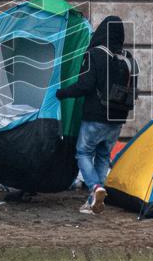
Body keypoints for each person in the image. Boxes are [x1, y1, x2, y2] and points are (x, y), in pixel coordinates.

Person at [56, 16, 138, 215]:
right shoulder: (129, 59)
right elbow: (134, 91)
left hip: (95, 115)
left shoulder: (95, 55)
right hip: (117, 119)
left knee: (83, 152)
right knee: (102, 155)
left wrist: (62, 93)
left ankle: (94, 187)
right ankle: (93, 202)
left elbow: (85, 85)